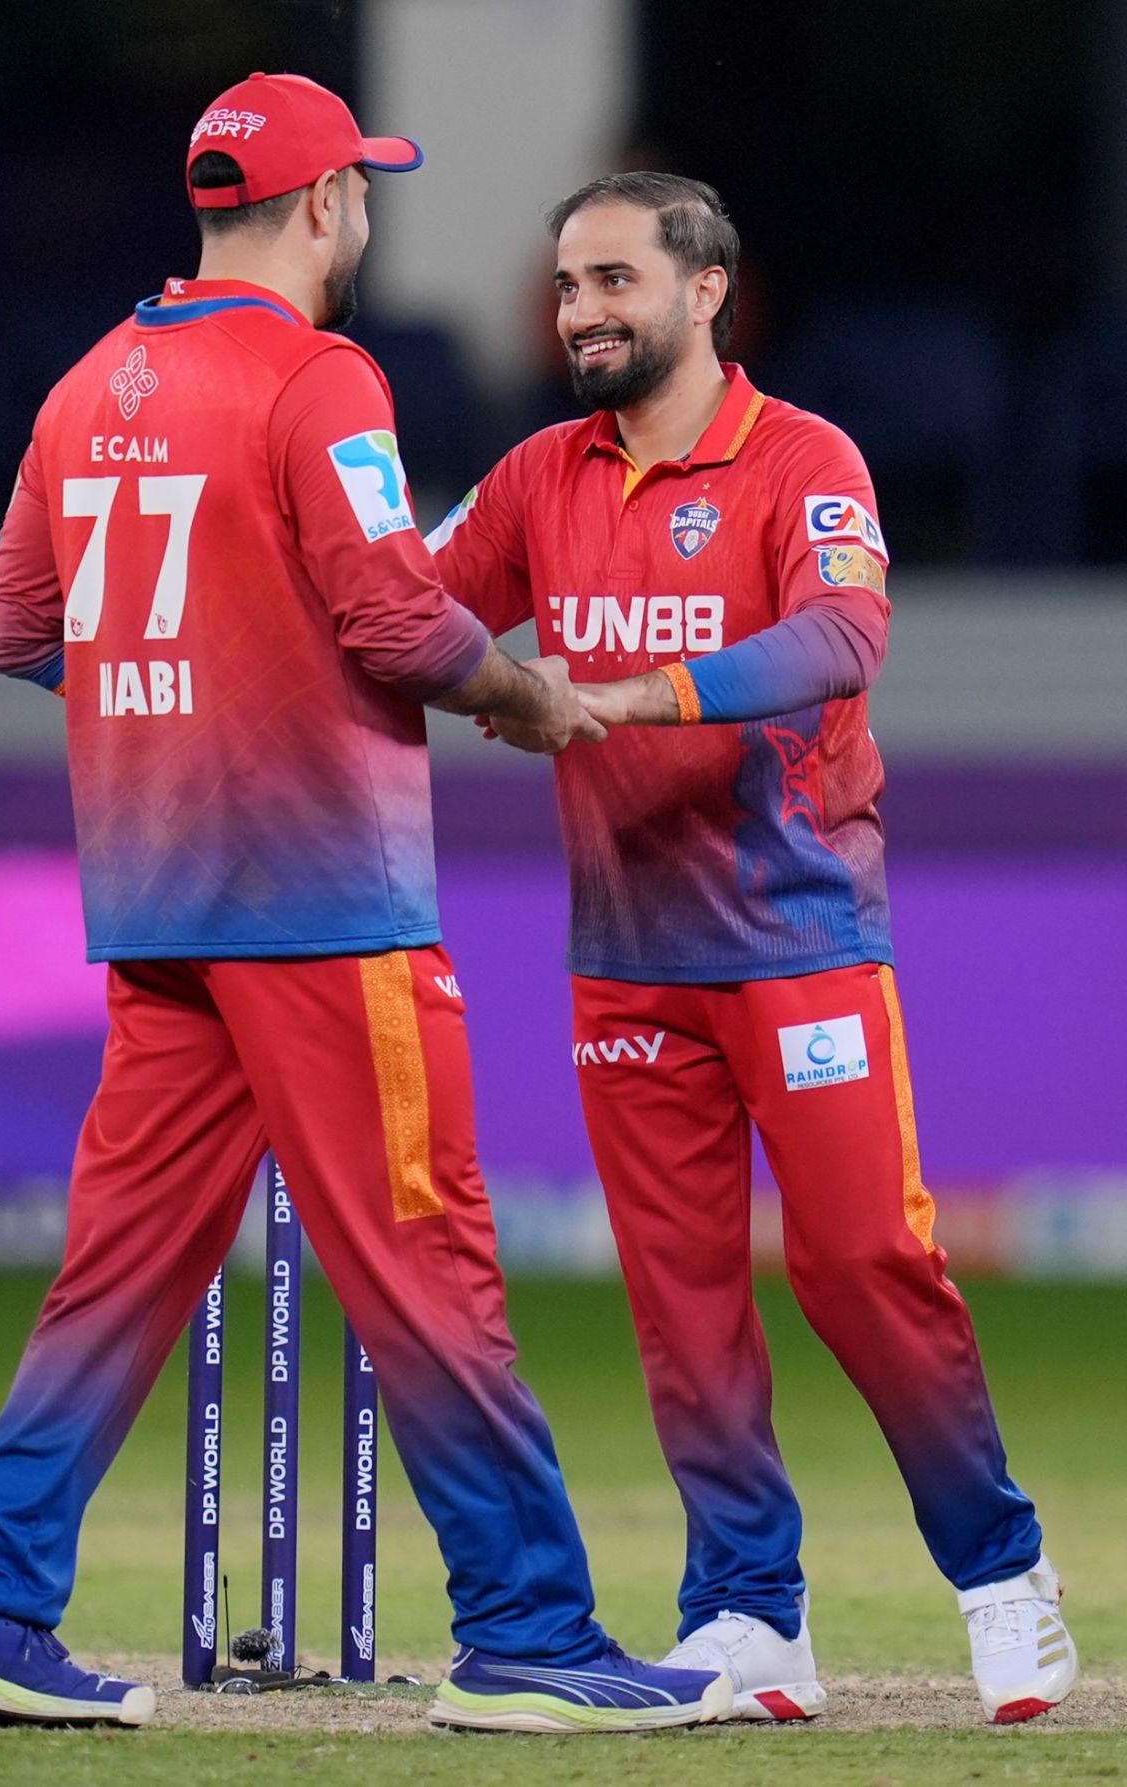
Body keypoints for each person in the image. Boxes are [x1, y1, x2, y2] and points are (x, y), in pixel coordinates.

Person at [0, 86, 732, 1737]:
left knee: (118, 1274)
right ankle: (533, 1633)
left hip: (156, 894)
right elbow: (399, 622)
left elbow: (18, 627)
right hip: (324, 903)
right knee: (428, 1261)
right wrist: (526, 696)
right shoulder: (323, 376)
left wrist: (182, 693)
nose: (368, 219)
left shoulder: (84, 384)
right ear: (326, 202)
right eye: (365, 194)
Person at [429, 171, 1078, 1727]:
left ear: (705, 288)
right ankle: (746, 1613)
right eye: (566, 283)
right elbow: (416, 618)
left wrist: (629, 697)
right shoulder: (536, 476)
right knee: (683, 1296)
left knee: (866, 1264)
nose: (580, 308)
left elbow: (843, 640)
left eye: (612, 279)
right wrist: (486, 682)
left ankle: (1002, 1576)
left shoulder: (804, 461)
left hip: (797, 940)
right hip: (625, 955)